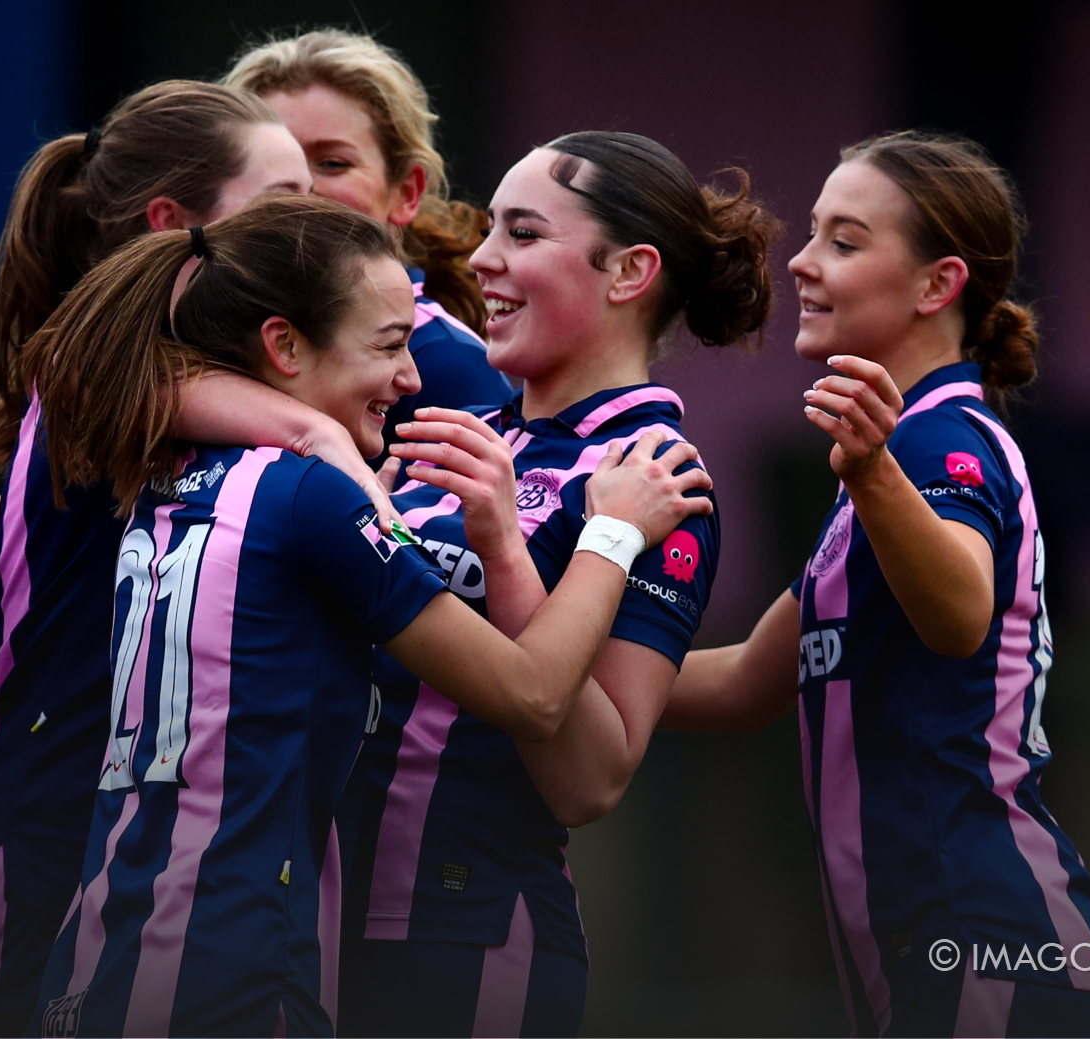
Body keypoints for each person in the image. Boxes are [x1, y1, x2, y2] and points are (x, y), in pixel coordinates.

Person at [22, 194, 712, 1038]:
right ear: (282, 344)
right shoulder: (315, 493)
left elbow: (88, 367)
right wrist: (607, 537)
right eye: (391, 345)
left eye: (522, 230)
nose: (415, 377)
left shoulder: (165, 466)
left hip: (106, 940)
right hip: (234, 952)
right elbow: (532, 695)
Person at [0, 81, 373, 1038]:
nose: (310, 222)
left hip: (117, 853)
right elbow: (313, 437)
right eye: (281, 198)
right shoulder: (105, 363)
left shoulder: (162, 373)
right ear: (171, 223)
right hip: (29, 855)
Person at [660, 131, 1090, 1038]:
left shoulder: (933, 439)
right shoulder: (875, 477)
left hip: (994, 945)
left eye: (844, 240)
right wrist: (522, 670)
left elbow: (961, 616)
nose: (799, 261)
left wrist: (874, 471)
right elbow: (741, 682)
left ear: (936, 284)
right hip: (945, 956)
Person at [328, 130, 775, 1038]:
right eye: (491, 228)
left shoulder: (655, 478)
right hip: (322, 918)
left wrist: (505, 544)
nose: (484, 260)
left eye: (523, 234)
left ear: (628, 272)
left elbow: (590, 778)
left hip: (465, 932)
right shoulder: (465, 436)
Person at [224, 29, 512, 464]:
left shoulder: (449, 367)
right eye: (270, 165)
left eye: (332, 163)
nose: (298, 188)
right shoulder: (200, 333)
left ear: (406, 191)